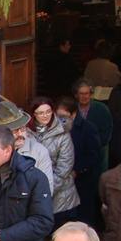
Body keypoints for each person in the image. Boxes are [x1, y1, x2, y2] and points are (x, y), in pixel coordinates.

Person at [28, 96, 78, 225]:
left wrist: (44, 192)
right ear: (34, 114)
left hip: (61, 198)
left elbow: (64, 169)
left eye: (48, 111)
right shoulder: (26, 132)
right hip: (33, 195)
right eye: (40, 113)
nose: (45, 115)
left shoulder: (63, 133)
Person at [56, 96, 101, 227]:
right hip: (61, 182)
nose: (60, 119)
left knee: (83, 220)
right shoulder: (56, 129)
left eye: (63, 116)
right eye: (57, 116)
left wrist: (77, 170)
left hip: (82, 182)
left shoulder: (88, 129)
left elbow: (94, 155)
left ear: (73, 114)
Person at [74, 79, 114, 172]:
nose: (84, 96)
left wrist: (94, 145)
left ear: (91, 94)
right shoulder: (73, 108)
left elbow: (107, 131)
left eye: (86, 93)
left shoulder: (102, 109)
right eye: (81, 94)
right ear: (76, 95)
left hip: (98, 153)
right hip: (77, 153)